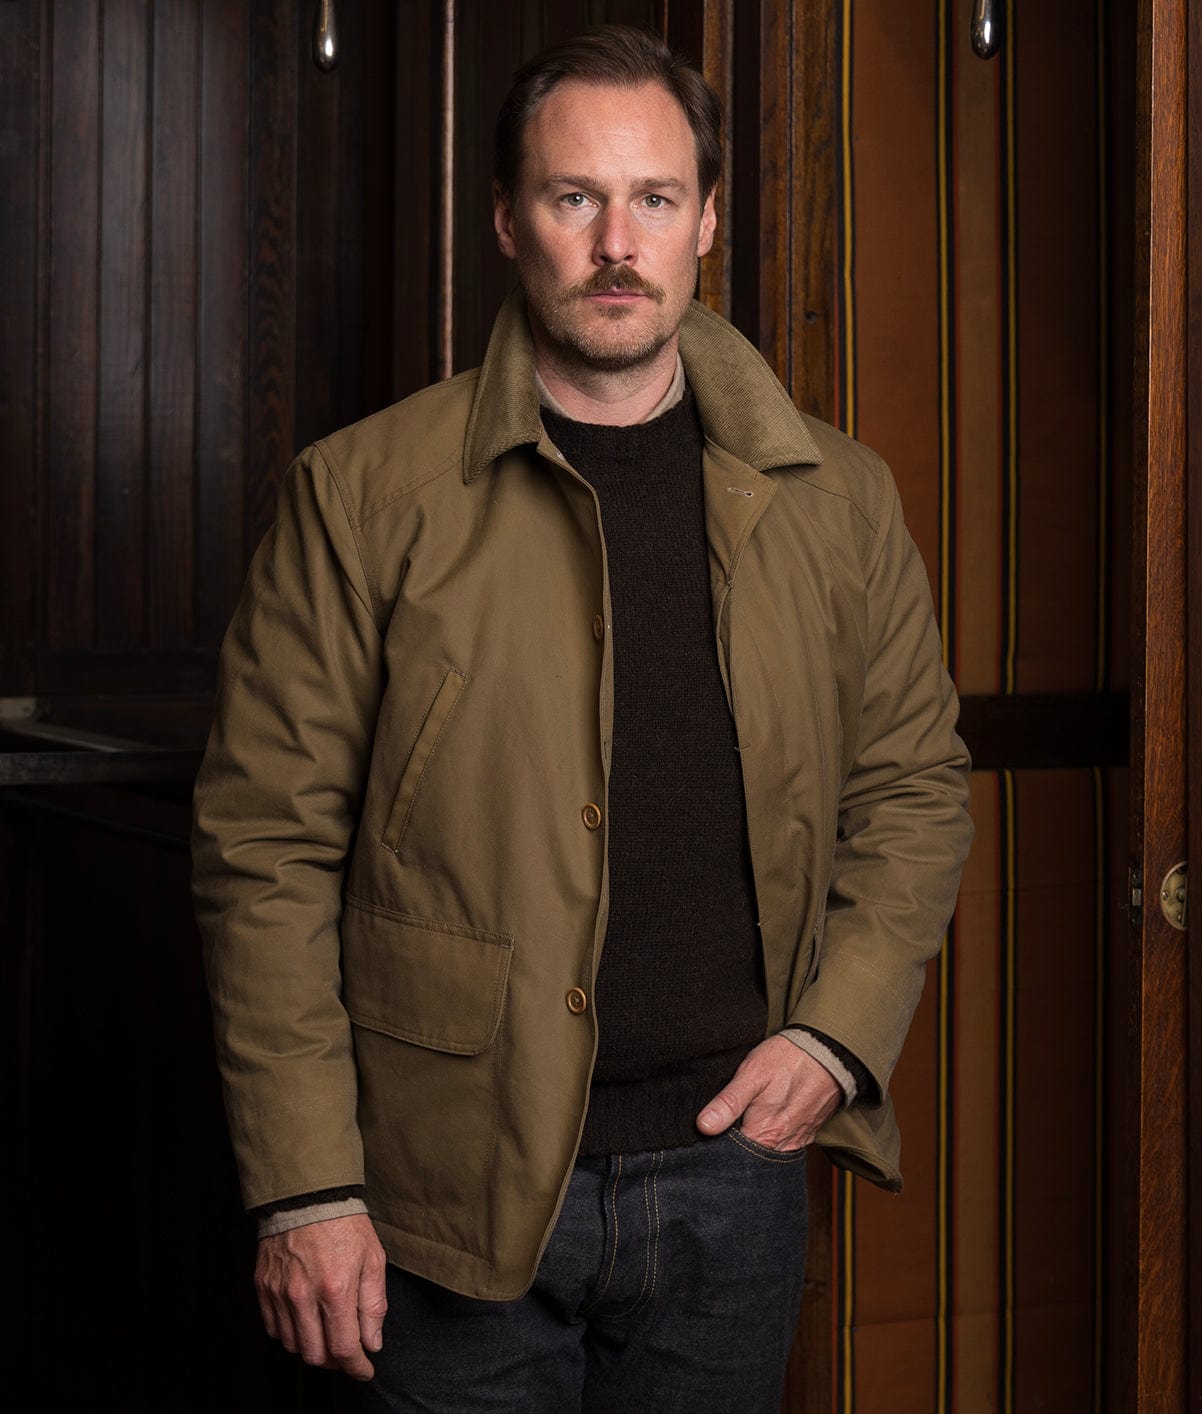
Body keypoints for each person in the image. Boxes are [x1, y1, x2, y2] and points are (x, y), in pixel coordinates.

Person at [193, 25, 972, 1413]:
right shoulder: (360, 496)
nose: (617, 240)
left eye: (656, 199)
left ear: (707, 222)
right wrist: (305, 1183)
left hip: (735, 1183)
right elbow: (264, 849)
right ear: (508, 218)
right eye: (574, 198)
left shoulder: (839, 500)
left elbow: (914, 789)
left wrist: (840, 1036)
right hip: (448, 1191)